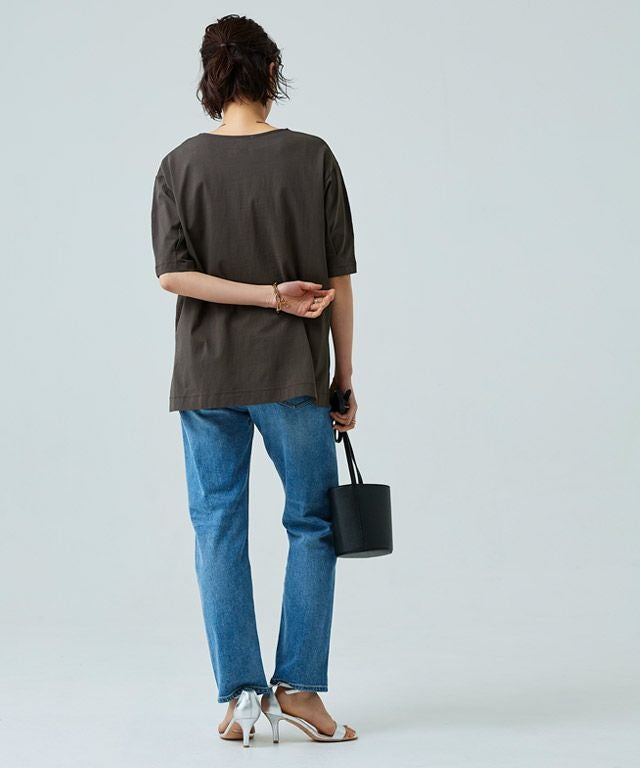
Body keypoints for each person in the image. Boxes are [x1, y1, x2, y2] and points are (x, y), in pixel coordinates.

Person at [150, 13, 358, 746]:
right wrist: (343, 378)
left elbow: (173, 275)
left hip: (206, 377)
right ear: (271, 71)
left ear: (212, 78)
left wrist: (261, 295)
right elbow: (340, 280)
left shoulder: (179, 165)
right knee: (314, 523)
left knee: (217, 527)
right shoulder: (312, 157)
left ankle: (240, 697)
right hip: (293, 373)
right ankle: (298, 688)